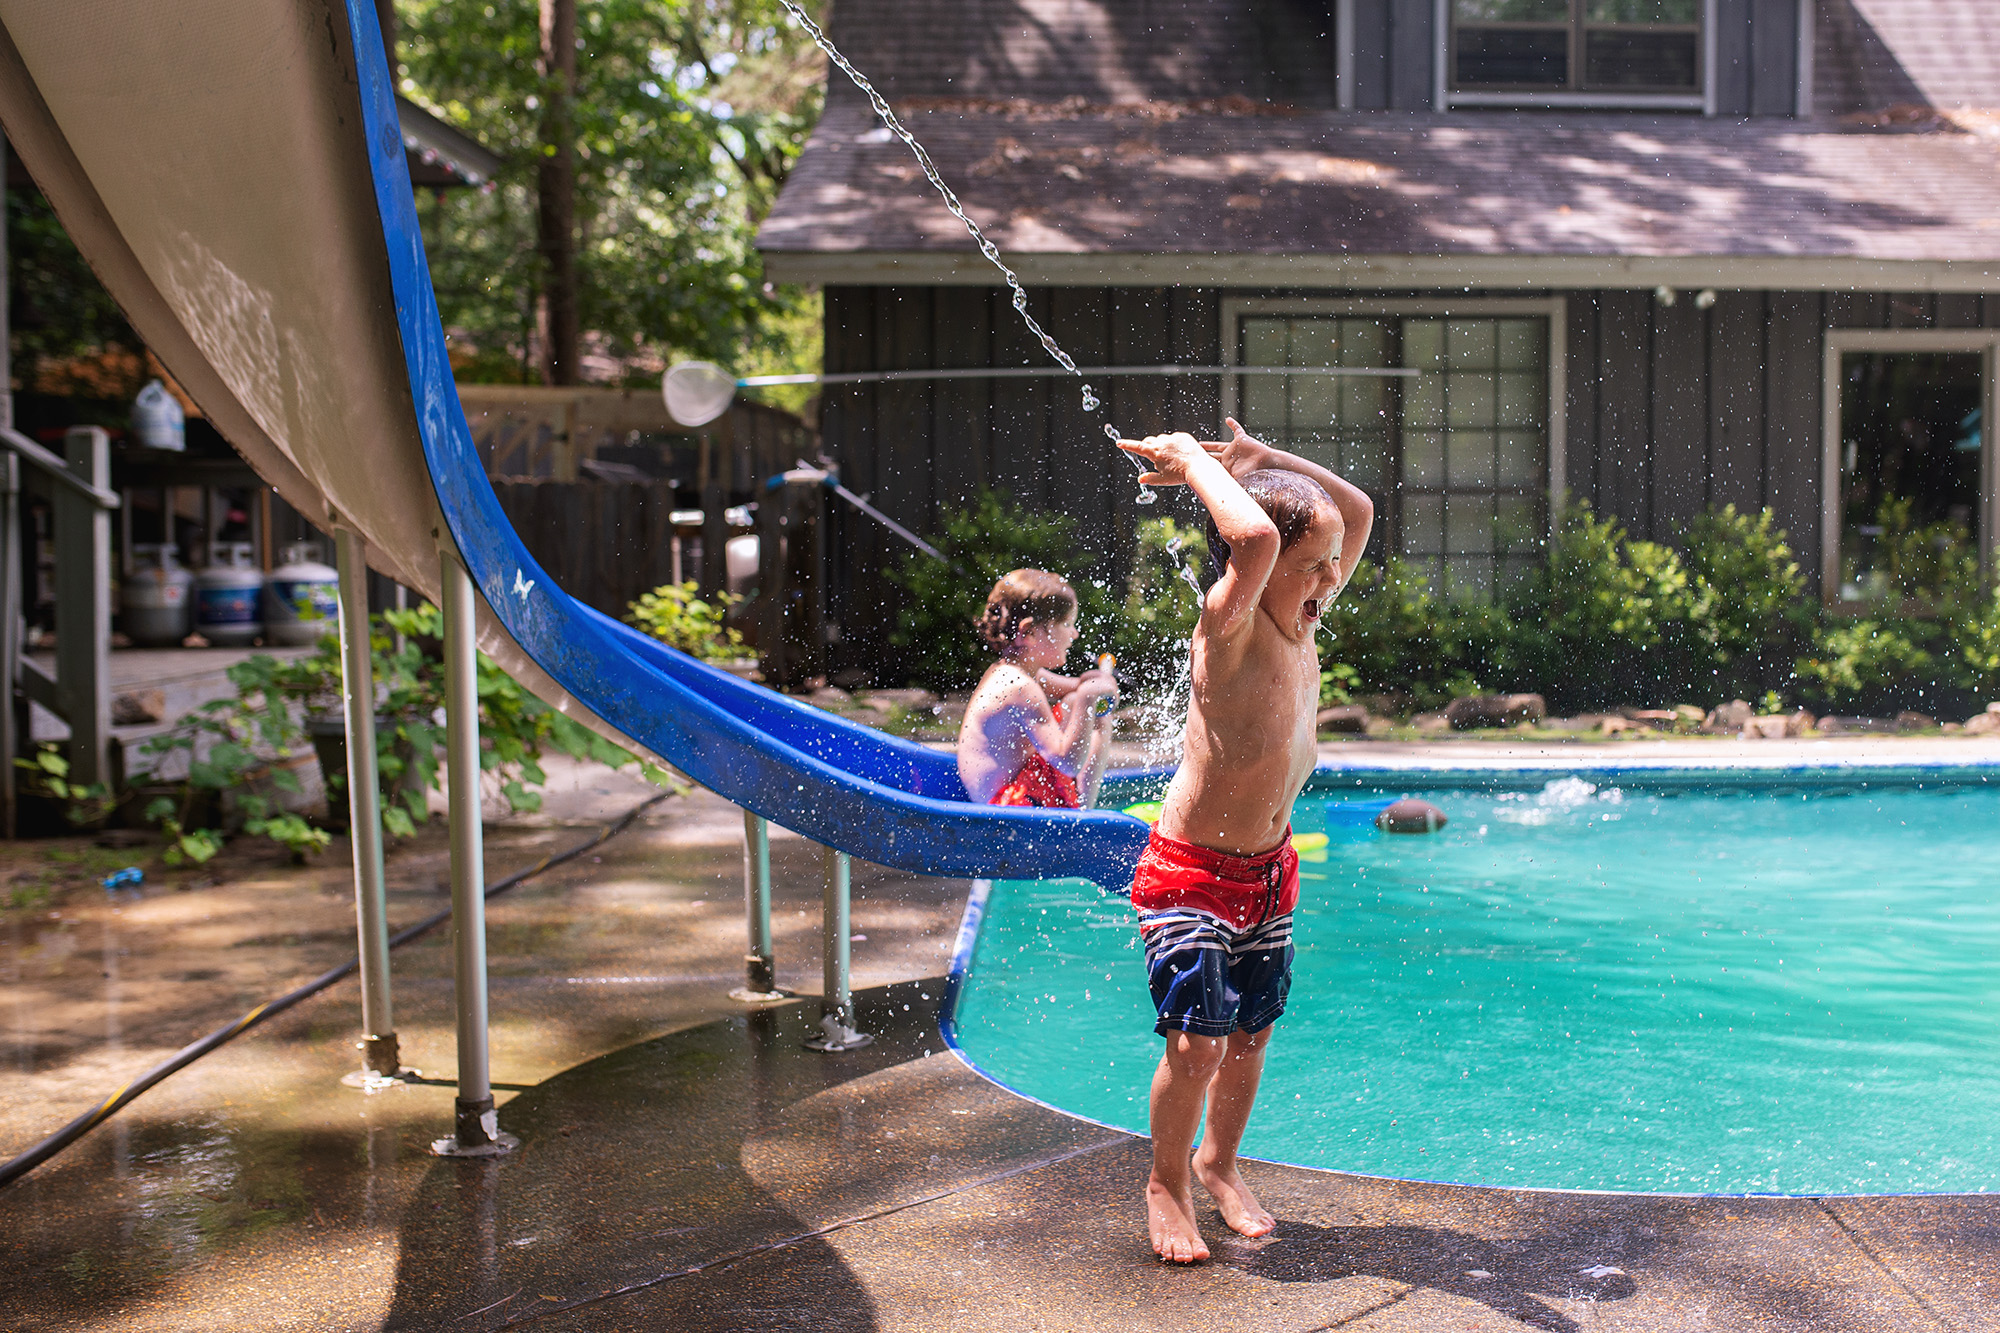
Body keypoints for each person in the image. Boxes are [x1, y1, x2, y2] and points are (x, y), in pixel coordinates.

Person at [1114, 417, 1373, 1264]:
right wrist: (1193, 461)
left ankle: (1219, 1161)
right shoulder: (1227, 628)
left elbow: (1358, 508)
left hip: (1270, 872)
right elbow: (1256, 535)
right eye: (1312, 567)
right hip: (1191, 873)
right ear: (1253, 575)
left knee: (1251, 1032)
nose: (1330, 579)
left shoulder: (1305, 613)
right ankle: (1166, 1183)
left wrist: (1269, 459)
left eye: (1331, 566)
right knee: (1198, 1042)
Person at [956, 569, 1118, 809]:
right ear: (1029, 632)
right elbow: (1067, 762)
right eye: (1066, 624)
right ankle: (1083, 814)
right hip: (1007, 809)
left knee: (1075, 702)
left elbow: (1075, 688)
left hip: (1001, 800)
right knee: (1092, 714)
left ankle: (1079, 807)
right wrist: (1088, 696)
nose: (1074, 634)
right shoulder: (1020, 687)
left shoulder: (1008, 672)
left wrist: (1090, 683)